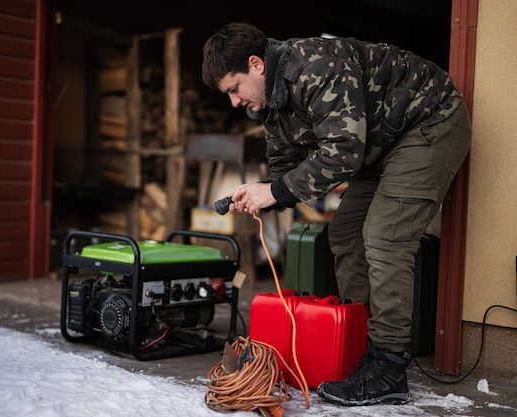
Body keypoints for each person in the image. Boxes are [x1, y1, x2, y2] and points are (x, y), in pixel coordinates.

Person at [201, 22, 472, 406]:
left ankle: (389, 366)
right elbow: (285, 167)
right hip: (377, 147)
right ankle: (358, 345)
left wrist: (276, 191)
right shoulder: (270, 102)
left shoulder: (315, 66)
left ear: (256, 64)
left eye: (234, 89)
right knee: (344, 234)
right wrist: (263, 193)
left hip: (427, 123)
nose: (233, 102)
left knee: (384, 236)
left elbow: (342, 152)